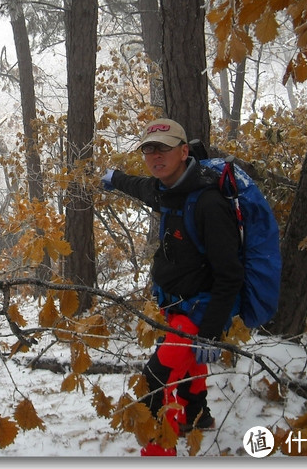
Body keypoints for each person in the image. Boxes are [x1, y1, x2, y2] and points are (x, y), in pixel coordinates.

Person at [101, 118, 244, 456]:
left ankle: (157, 451)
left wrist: (209, 332)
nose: (155, 155)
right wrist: (115, 179)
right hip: (177, 305)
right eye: (149, 149)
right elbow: (140, 186)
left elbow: (230, 275)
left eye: (163, 148)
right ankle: (197, 417)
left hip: (198, 311)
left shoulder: (208, 204)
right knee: (191, 366)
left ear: (183, 151)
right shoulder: (166, 188)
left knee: (155, 380)